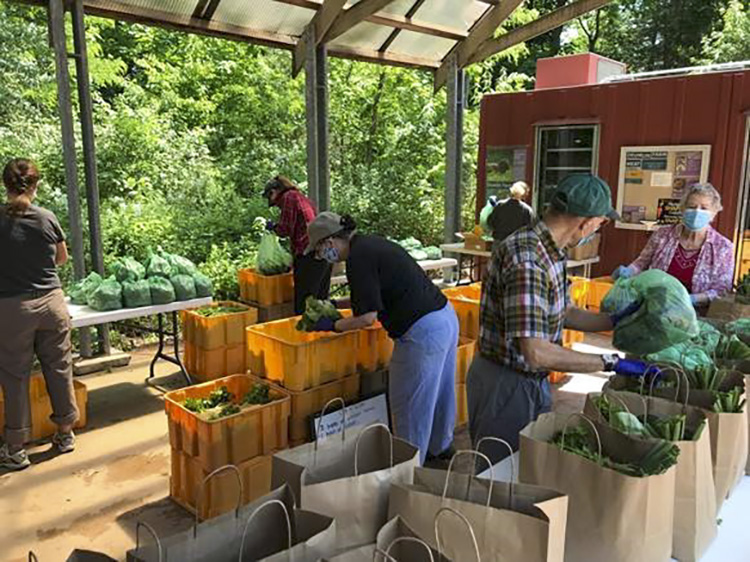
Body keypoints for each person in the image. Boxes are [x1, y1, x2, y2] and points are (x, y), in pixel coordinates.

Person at [468, 173, 655, 464]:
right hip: (506, 385)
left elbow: (563, 312)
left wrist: (613, 320)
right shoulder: (528, 260)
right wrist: (610, 363)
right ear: (585, 221)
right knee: (498, 475)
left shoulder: (551, 251)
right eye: (601, 222)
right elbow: (536, 352)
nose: (599, 228)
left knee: (527, 467)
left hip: (529, 381)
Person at [304, 212, 458, 465]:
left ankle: (409, 469)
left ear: (329, 242)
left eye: (320, 250)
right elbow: (373, 294)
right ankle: (440, 449)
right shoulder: (369, 244)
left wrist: (332, 324)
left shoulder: (358, 259)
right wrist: (335, 304)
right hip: (443, 317)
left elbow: (367, 318)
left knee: (409, 402)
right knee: (440, 393)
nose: (321, 256)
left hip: (422, 331)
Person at [0, 158, 79, 470]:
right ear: (36, 185)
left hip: (12, 308)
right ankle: (65, 433)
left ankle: (16, 449)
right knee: (59, 368)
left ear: (5, 185)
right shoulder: (47, 218)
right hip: (51, 304)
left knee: (15, 375)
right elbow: (61, 258)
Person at [612, 183, 734, 308]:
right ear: (682, 209)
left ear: (713, 213)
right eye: (691, 206)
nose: (697, 212)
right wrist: (629, 271)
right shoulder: (663, 234)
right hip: (655, 305)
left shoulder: (723, 247)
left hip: (695, 314)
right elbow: (641, 263)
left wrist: (690, 299)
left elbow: (722, 290)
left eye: (704, 208)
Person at [263, 176, 332, 314]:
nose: (274, 204)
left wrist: (273, 227)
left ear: (274, 191)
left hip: (310, 254)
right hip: (324, 252)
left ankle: (304, 334)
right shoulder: (300, 197)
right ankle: (322, 334)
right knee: (320, 300)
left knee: (304, 304)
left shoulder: (289, 197)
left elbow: (286, 229)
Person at [487, 181, 536, 249]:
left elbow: (490, 221)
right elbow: (530, 229)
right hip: (516, 245)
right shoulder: (527, 210)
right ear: (524, 194)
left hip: (499, 242)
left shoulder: (500, 205)